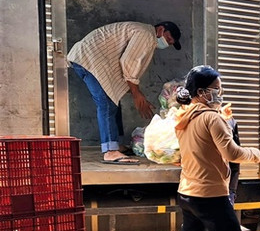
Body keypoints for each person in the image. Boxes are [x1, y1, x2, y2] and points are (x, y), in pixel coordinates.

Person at [170, 65, 260, 231]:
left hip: (187, 193)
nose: (219, 95)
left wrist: (225, 120)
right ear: (201, 92)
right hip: (210, 195)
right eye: (215, 90)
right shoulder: (211, 118)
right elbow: (231, 152)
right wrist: (255, 153)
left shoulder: (183, 117)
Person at [68, 21, 182, 164]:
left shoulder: (145, 35)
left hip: (89, 59)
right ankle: (110, 151)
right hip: (90, 59)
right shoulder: (146, 34)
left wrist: (138, 94)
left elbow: (126, 68)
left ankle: (116, 145)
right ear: (160, 29)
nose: (167, 43)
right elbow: (129, 62)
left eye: (171, 43)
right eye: (169, 39)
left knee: (113, 100)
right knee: (107, 104)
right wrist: (136, 93)